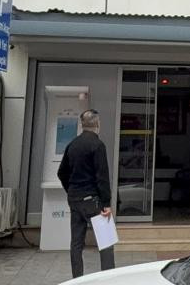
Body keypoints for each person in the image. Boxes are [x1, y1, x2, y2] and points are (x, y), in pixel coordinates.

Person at [57, 109, 115, 278]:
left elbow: (61, 173)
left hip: (74, 200)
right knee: (106, 242)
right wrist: (106, 203)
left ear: (82, 124)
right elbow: (102, 176)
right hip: (93, 200)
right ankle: (109, 278)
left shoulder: (72, 145)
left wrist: (71, 190)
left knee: (76, 243)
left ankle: (77, 279)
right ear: (97, 123)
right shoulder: (98, 145)